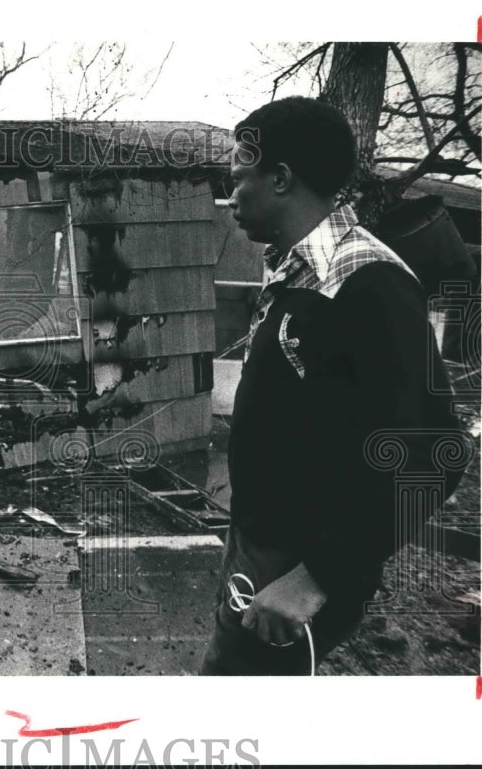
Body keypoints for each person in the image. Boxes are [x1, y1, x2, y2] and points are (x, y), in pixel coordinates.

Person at [199, 96, 468, 675]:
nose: (232, 197)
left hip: (296, 569)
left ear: (281, 178)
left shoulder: (367, 283)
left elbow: (432, 453)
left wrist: (316, 577)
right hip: (261, 547)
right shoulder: (301, 274)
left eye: (239, 179)